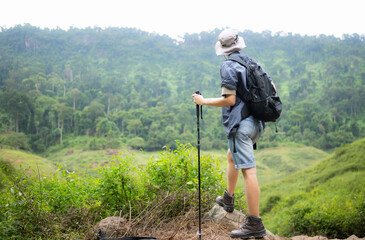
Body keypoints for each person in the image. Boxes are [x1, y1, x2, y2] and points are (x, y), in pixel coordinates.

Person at [192, 29, 267, 239]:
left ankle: (254, 223)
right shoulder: (252, 62)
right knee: (230, 155)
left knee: (249, 172)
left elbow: (229, 100)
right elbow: (271, 87)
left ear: (223, 49)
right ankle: (228, 198)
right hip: (256, 123)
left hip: (241, 125)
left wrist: (204, 101)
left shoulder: (228, 66)